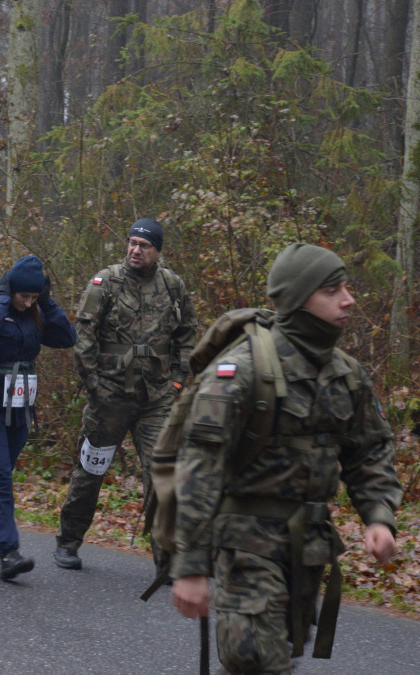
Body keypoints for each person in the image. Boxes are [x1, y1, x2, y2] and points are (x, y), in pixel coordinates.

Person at [170, 243, 401, 672]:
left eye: (346, 288)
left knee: (264, 659)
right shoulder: (240, 372)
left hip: (307, 549)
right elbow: (199, 471)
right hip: (245, 546)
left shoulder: (346, 374)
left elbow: (368, 449)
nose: (349, 299)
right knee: (258, 660)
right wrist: (190, 565)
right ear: (297, 298)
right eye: (332, 290)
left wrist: (379, 514)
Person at [55, 218, 196, 570]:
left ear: (157, 251)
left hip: (157, 399)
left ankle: (167, 556)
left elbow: (187, 335)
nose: (136, 250)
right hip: (110, 397)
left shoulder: (173, 286)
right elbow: (83, 338)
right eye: (132, 243)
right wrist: (95, 387)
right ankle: (69, 541)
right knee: (91, 469)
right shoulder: (106, 282)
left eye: (144, 245)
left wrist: (178, 381)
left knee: (162, 473)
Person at [0, 256, 77, 579]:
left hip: (19, 405)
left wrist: (47, 302)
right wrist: (6, 299)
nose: (28, 303)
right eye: (25, 296)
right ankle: (8, 552)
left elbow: (67, 338)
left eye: (34, 298)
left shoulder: (36, 311)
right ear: (12, 289)